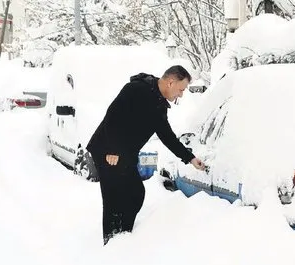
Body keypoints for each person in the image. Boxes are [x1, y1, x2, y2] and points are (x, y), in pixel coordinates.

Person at [86, 65, 206, 245]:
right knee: (114, 198)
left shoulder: (159, 105)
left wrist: (189, 158)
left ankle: (123, 235)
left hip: (124, 153)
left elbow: (167, 136)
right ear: (171, 82)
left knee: (135, 193)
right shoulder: (136, 89)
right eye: (181, 90)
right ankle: (111, 242)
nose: (181, 95)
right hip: (108, 150)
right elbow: (113, 116)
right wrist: (112, 149)